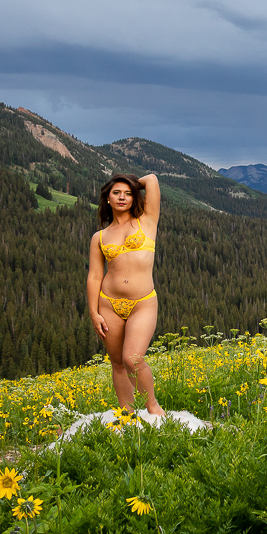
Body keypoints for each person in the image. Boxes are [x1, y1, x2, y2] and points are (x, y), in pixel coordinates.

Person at [87, 173, 165, 415]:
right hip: (108, 304)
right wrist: (93, 313)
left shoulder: (147, 221)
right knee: (118, 363)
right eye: (116, 193)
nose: (122, 197)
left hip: (143, 302)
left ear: (135, 198)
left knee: (133, 359)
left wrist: (128, 183)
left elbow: (151, 179)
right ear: (107, 199)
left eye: (128, 193)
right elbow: (95, 277)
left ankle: (153, 406)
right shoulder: (99, 237)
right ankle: (127, 415)